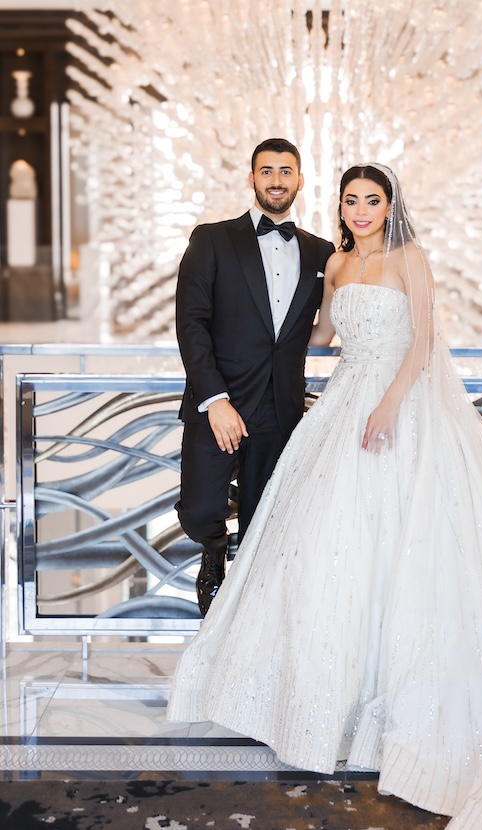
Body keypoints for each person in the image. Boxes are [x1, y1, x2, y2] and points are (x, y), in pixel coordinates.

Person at [168, 163, 482, 829]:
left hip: (397, 409)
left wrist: (391, 405)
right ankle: (308, 701)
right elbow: (312, 339)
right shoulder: (334, 267)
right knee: (319, 549)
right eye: (351, 200)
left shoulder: (411, 258)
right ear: (338, 207)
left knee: (407, 545)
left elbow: (423, 340)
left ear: (390, 204)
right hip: (341, 409)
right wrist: (238, 355)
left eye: (373, 199)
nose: (362, 210)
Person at [175, 137, 335, 616]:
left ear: (300, 181)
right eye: (267, 171)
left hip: (280, 407)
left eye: (286, 172)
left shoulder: (322, 252)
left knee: (263, 519)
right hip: (219, 401)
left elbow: (320, 327)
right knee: (200, 508)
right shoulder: (212, 238)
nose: (276, 180)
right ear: (252, 179)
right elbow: (191, 323)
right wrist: (215, 399)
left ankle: (248, 615)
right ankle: (212, 551)